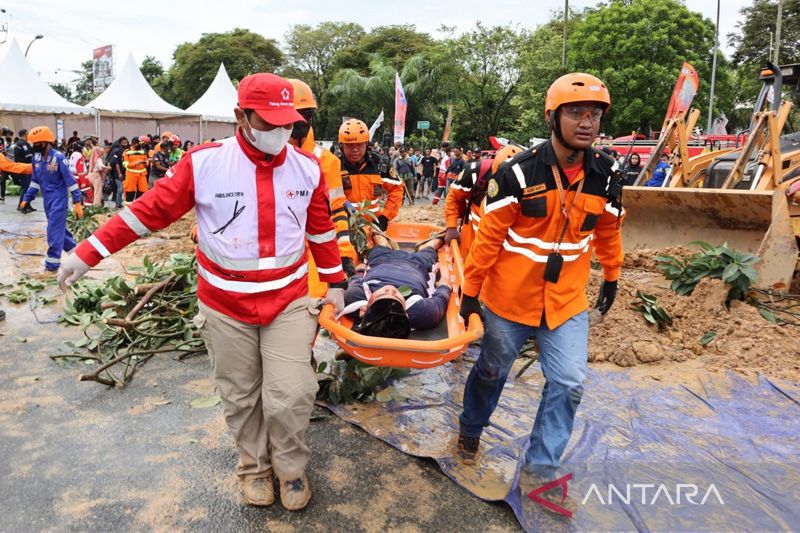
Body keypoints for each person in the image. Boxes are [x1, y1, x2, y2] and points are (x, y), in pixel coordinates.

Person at [56, 73, 347, 512]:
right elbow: (146, 213)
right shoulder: (204, 163)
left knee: (291, 393)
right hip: (225, 306)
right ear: (240, 118)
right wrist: (88, 252)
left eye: (288, 124)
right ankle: (254, 468)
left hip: (287, 302)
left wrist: (337, 283)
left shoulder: (307, 169)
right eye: (268, 123)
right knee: (240, 394)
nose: (280, 133)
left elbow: (322, 230)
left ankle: (291, 469)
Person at [455, 73, 624, 515]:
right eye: (576, 113)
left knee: (568, 382)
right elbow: (488, 238)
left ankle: (541, 471)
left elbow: (607, 228)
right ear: (553, 117)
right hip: (509, 299)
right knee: (491, 371)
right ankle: (471, 429)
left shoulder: (606, 175)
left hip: (566, 300)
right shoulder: (516, 172)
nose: (586, 123)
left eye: (594, 114)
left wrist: (612, 274)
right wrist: (469, 293)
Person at [287, 78, 358, 279]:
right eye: (296, 113)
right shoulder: (268, 156)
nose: (301, 119)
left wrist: (344, 254)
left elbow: (337, 210)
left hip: (314, 248)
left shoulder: (327, 161)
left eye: (306, 113)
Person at [342, 233, 451, 337]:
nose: (391, 290)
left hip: (381, 260)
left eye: (381, 296)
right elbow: (442, 296)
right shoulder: (423, 312)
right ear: (406, 314)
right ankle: (426, 245)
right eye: (396, 298)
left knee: (379, 243)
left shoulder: (353, 297)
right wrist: (443, 286)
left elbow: (356, 279)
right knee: (431, 247)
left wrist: (360, 271)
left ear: (364, 309)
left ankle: (382, 238)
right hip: (418, 264)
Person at [19, 126, 84, 272]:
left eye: (38, 143)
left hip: (59, 200)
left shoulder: (59, 158)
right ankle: (78, 256)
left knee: (53, 231)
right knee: (59, 229)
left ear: (47, 142)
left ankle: (52, 266)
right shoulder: (36, 158)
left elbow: (71, 182)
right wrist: (27, 198)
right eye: (33, 143)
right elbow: (35, 181)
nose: (34, 146)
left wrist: (77, 202)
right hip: (46, 200)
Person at [444, 145, 521, 258]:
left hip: (501, 230)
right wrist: (451, 227)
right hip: (473, 224)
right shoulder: (474, 171)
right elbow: (453, 197)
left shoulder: (527, 180)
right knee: (467, 258)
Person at [338, 119, 403, 231]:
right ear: (341, 146)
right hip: (343, 227)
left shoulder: (379, 165)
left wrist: (384, 217)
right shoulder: (334, 167)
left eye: (359, 145)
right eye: (350, 145)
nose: (355, 150)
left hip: (373, 227)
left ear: (367, 144)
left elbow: (396, 189)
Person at [13, 129, 35, 212]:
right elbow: (28, 156)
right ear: (25, 134)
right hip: (24, 169)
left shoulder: (24, 144)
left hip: (25, 168)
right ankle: (21, 205)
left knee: (28, 187)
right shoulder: (22, 144)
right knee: (25, 187)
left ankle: (27, 205)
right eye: (28, 134)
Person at [122, 136, 149, 202]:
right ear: (133, 144)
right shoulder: (127, 152)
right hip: (131, 175)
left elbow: (146, 160)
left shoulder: (143, 151)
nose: (140, 146)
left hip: (142, 175)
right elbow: (126, 165)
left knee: (144, 192)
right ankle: (128, 210)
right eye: (139, 144)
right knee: (130, 193)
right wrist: (136, 163)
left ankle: (140, 208)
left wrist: (147, 162)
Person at [107, 137, 128, 208]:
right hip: (118, 173)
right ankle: (118, 204)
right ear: (120, 143)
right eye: (123, 142)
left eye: (126, 142)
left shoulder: (127, 151)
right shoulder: (118, 151)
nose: (125, 144)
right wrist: (119, 173)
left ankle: (119, 203)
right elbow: (116, 163)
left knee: (122, 189)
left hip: (125, 173)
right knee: (120, 189)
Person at [86, 139, 108, 207]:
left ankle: (90, 205)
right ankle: (96, 206)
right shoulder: (98, 159)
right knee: (97, 192)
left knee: (91, 192)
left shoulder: (92, 158)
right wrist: (108, 168)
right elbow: (101, 167)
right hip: (96, 176)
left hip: (90, 175)